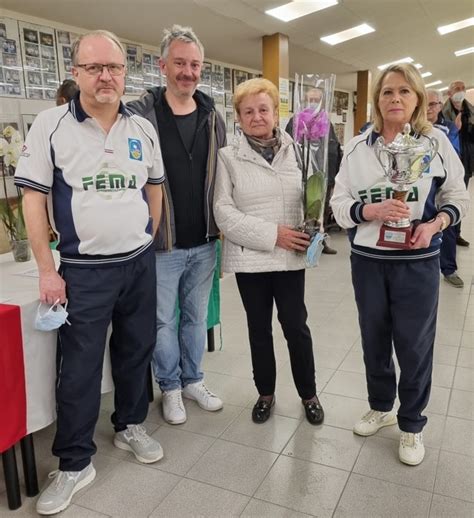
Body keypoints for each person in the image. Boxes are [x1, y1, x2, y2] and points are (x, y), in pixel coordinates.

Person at [14, 30, 165, 515]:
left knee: (135, 350)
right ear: (75, 72)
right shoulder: (51, 125)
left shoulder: (142, 128)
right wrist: (46, 270)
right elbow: (33, 199)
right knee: (77, 369)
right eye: (95, 67)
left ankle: (129, 425)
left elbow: (155, 190)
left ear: (125, 74)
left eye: (115, 68)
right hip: (82, 270)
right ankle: (75, 462)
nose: (106, 76)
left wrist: (145, 236)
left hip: (138, 265)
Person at [330, 64, 469, 466]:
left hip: (417, 262)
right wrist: (367, 209)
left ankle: (411, 424)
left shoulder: (436, 143)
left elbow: (458, 197)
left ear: (418, 100)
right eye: (387, 92)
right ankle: (380, 406)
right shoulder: (358, 147)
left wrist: (436, 225)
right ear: (376, 100)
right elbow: (338, 207)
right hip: (370, 262)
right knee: (374, 338)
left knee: (414, 344)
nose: (395, 99)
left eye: (404, 92)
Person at [127, 25, 225, 425]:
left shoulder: (212, 116)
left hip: (203, 242)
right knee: (163, 320)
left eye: (195, 64)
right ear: (162, 65)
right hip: (161, 244)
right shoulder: (140, 116)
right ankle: (168, 387)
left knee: (196, 317)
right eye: (180, 63)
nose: (188, 72)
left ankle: (193, 380)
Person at [214, 78, 324, 426]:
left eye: (263, 109)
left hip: (291, 259)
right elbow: (223, 211)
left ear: (277, 112)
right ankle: (265, 393)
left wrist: (315, 220)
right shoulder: (227, 157)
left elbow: (312, 195)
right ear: (238, 117)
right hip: (252, 259)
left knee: (296, 327)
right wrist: (272, 234)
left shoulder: (301, 151)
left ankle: (309, 394)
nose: (257, 116)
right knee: (258, 329)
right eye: (248, 111)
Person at [285, 87, 343, 254]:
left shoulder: (326, 121)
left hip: (321, 175)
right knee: (300, 208)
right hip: (301, 174)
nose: (313, 103)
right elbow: (290, 146)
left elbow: (333, 149)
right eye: (310, 99)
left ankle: (320, 241)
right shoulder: (295, 120)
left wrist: (332, 178)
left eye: (317, 100)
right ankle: (301, 241)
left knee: (321, 209)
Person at [426, 89, 463, 288]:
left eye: (433, 104)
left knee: (446, 227)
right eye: (425, 103)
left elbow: (453, 154)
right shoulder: (410, 126)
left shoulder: (448, 128)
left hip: (442, 184)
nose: (428, 108)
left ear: (440, 106)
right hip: (423, 187)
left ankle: (449, 269)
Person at [442, 80, 474, 247]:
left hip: (466, 161)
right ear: (449, 93)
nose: (460, 91)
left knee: (459, 198)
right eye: (456, 89)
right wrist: (454, 128)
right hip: (448, 161)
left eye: (463, 88)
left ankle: (456, 234)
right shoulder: (442, 112)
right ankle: (443, 233)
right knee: (443, 198)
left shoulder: (471, 111)